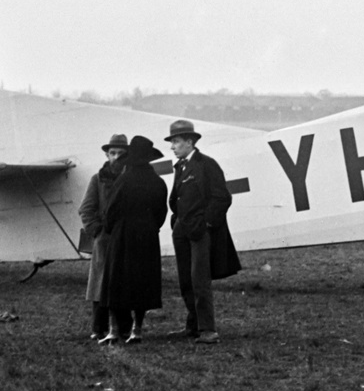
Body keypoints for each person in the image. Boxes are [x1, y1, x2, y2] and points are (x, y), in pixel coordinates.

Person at [165, 119, 241, 344]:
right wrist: (177, 221)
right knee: (185, 279)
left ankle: (208, 329)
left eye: (176, 142)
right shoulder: (181, 166)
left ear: (190, 142)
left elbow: (222, 197)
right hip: (182, 229)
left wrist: (206, 224)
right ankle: (193, 325)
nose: (173, 147)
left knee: (199, 280)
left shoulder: (207, 165)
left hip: (199, 232)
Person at [98, 135, 168, 345]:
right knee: (142, 282)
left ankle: (113, 330)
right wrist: (150, 228)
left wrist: (113, 229)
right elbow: (161, 212)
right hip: (147, 235)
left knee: (114, 283)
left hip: (123, 234)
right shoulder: (158, 182)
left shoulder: (123, 179)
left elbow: (111, 211)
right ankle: (137, 330)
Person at [77, 134, 127, 340]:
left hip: (125, 239)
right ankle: (98, 328)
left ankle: (123, 327)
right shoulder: (97, 179)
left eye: (121, 154)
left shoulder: (130, 178)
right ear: (107, 155)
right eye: (112, 153)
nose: (116, 157)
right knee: (100, 283)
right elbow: (86, 209)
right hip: (104, 240)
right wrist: (97, 230)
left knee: (123, 282)